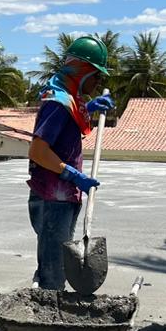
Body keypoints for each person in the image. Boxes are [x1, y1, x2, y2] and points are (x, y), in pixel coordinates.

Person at [26, 35, 114, 289]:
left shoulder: (70, 101)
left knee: (55, 261)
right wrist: (73, 175)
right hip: (53, 198)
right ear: (82, 72)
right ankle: (48, 320)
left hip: (62, 197)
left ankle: (50, 305)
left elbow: (72, 123)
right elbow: (38, 151)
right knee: (53, 270)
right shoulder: (58, 104)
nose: (98, 82)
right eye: (95, 75)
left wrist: (91, 108)